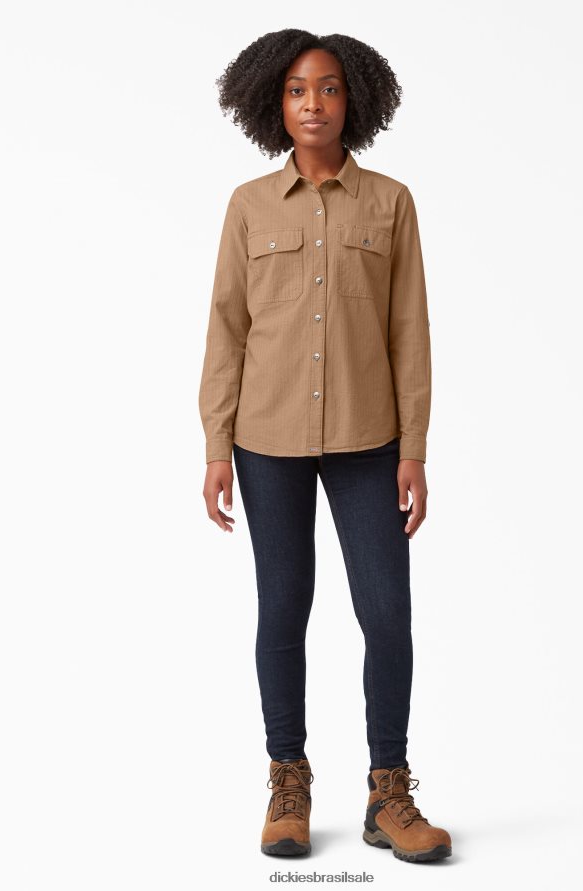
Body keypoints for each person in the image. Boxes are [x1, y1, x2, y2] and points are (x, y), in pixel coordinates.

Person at [198, 29, 452, 864]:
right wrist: (215, 445)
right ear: (274, 102)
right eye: (298, 90)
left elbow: (409, 329)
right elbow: (227, 329)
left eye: (330, 87)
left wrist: (414, 447)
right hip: (264, 439)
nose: (314, 103)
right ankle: (287, 781)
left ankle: (388, 790)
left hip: (368, 439)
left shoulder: (390, 202)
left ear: (356, 100)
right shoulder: (247, 205)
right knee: (282, 608)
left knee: (387, 613)